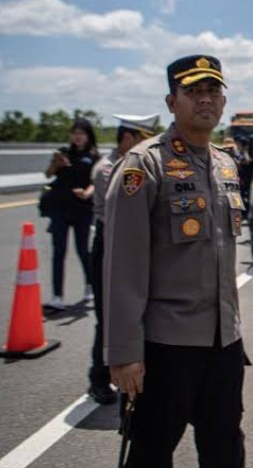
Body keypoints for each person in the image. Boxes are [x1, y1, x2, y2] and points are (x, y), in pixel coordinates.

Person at [104, 55, 247, 467]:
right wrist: (124, 352)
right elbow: (122, 266)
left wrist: (233, 336)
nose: (206, 99)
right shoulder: (144, 165)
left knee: (225, 446)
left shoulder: (225, 164)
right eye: (194, 91)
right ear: (171, 101)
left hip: (224, 344)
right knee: (151, 451)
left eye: (213, 91)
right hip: (166, 346)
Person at [87, 114, 159, 405]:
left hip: (129, 241)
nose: (146, 143)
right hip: (109, 242)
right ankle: (99, 378)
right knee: (109, 315)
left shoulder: (137, 163)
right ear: (128, 137)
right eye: (142, 136)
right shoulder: (110, 169)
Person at [42, 118, 99, 311]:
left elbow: (95, 181)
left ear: (88, 135)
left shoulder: (93, 156)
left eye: (81, 133)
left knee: (82, 250)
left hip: (82, 209)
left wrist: (87, 193)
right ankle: (57, 296)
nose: (77, 136)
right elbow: (48, 175)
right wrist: (56, 164)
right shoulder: (63, 153)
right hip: (60, 208)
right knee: (58, 251)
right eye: (74, 133)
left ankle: (89, 286)